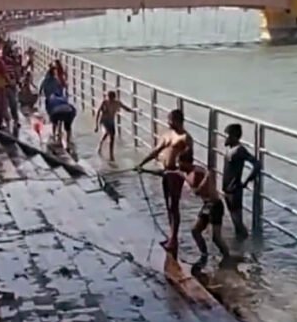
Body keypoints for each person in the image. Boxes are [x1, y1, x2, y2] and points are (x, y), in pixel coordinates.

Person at [135, 109, 193, 253]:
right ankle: (171, 235)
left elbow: (188, 160)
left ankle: (174, 239)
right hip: (165, 172)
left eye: (170, 120)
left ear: (178, 121)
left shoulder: (186, 138)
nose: (168, 123)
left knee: (174, 205)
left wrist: (182, 171)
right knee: (168, 205)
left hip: (175, 173)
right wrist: (141, 164)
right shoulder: (168, 135)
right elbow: (156, 151)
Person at [178, 151, 231, 262]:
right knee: (195, 231)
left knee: (216, 238)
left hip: (215, 205)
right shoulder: (189, 173)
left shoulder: (196, 173)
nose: (179, 165)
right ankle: (204, 255)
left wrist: (188, 180)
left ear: (186, 162)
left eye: (180, 163)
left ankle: (227, 257)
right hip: (207, 205)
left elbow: (200, 188)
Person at [221, 123, 259, 239]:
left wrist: (247, 180)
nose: (225, 138)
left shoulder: (239, 150)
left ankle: (244, 246)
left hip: (234, 190)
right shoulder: (231, 150)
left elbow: (256, 164)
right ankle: (240, 246)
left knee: (238, 222)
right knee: (234, 220)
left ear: (234, 136)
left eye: (227, 136)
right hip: (228, 189)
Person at [95, 90, 122, 161]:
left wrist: (134, 111)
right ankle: (103, 147)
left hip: (111, 121)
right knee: (107, 132)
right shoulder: (104, 102)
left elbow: (125, 108)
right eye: (108, 97)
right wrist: (96, 125)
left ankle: (110, 153)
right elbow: (98, 112)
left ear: (114, 97)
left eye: (111, 98)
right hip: (104, 120)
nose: (109, 99)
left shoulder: (117, 103)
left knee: (111, 137)